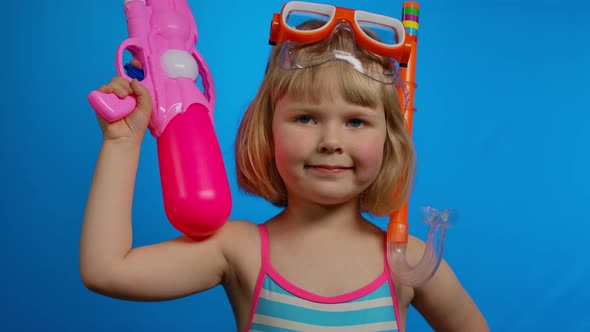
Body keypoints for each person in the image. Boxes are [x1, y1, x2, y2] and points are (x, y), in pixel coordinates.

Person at [80, 2, 488, 331]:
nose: (331, 141)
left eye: (356, 121)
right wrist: (122, 140)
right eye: (306, 118)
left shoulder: (409, 264)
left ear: (389, 139)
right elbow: (107, 271)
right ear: (268, 129)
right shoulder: (239, 250)